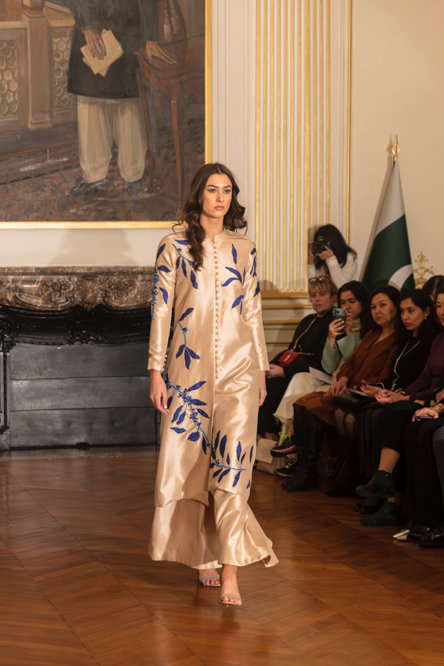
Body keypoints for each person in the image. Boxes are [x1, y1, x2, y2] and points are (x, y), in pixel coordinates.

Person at [148, 162, 278, 607]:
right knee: (193, 468)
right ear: (198, 195)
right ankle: (201, 554)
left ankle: (230, 572)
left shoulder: (246, 248)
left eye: (227, 191)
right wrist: (156, 371)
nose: (220, 198)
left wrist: (261, 369)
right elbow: (161, 310)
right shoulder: (173, 246)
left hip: (239, 372)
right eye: (212, 190)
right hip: (188, 376)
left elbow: (253, 311)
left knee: (234, 469)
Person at [284, 287, 400, 493]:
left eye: (382, 305)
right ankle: (305, 469)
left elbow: (386, 375)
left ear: (395, 307)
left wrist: (355, 386)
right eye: (374, 307)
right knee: (300, 403)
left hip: (363, 392)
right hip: (350, 389)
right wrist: (344, 378)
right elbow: (351, 362)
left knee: (313, 407)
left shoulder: (397, 340)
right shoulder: (373, 334)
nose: (377, 311)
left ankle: (326, 473)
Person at [355, 288, 444, 525]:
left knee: (402, 417)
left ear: (425, 311)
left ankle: (393, 494)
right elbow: (425, 377)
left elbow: (436, 386)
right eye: (439, 306)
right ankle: (383, 486)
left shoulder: (432, 337)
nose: (442, 311)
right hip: (429, 398)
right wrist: (403, 394)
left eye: (410, 310)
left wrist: (410, 398)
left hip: (435, 402)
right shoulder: (438, 340)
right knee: (379, 412)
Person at [66, 0, 172, 196]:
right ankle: (93, 175)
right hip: (88, 30)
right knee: (90, 106)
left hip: (127, 26)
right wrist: (86, 25)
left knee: (129, 106)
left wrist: (151, 38)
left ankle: (133, 174)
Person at [270, 281, 372, 471]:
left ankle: (294, 449)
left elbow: (356, 364)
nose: (347, 307)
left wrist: (349, 334)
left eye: (351, 302)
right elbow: (329, 365)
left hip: (350, 383)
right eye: (343, 303)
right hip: (332, 377)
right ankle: (287, 438)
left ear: (363, 303)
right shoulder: (335, 324)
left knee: (303, 391)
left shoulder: (368, 329)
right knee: (300, 378)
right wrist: (332, 338)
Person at [257, 276, 337, 440]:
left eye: (322, 294)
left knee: (275, 385)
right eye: (313, 295)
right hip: (295, 369)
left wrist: (284, 371)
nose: (317, 299)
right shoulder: (308, 320)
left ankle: (272, 436)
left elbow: (318, 361)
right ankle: (259, 435)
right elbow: (291, 351)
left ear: (333, 297)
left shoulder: (334, 323)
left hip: (315, 372)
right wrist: (269, 366)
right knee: (261, 381)